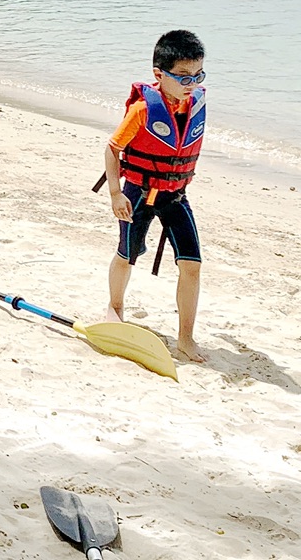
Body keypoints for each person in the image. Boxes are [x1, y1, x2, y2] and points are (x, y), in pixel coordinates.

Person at [102, 29, 209, 362]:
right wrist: (116, 194)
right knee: (127, 254)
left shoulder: (195, 103)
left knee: (192, 264)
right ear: (159, 75)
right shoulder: (142, 110)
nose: (191, 83)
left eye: (198, 75)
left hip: (176, 195)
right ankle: (115, 305)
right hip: (138, 193)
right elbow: (113, 148)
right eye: (183, 77)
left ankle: (186, 338)